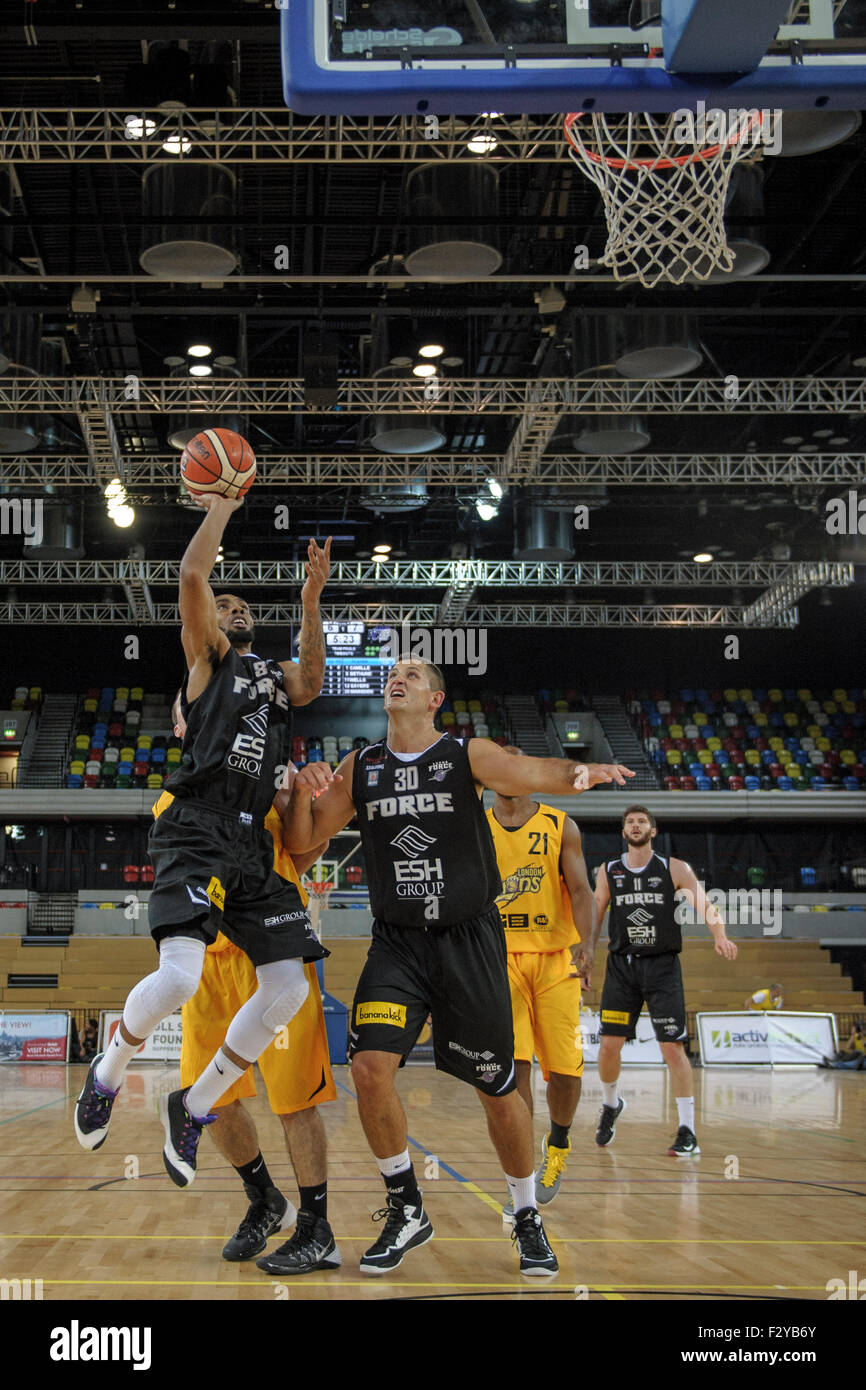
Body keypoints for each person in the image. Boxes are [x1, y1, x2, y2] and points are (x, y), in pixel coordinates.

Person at [282, 657, 634, 1277]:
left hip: (468, 942)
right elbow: (302, 845)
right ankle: (406, 1204)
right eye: (394, 671)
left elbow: (531, 772)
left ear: (435, 698)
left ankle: (526, 1215)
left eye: (414, 674)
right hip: (397, 945)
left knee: (498, 1091)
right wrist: (292, 794)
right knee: (368, 1069)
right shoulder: (359, 768)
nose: (399, 677)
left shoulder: (465, 755)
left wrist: (583, 771)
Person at [74, 492, 331, 1191]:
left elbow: (312, 679)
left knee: (288, 988)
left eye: (243, 605)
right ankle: (107, 1072)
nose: (235, 607)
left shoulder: (276, 679)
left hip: (251, 841)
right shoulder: (209, 661)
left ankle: (191, 1105)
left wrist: (311, 596)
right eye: (227, 604)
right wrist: (221, 503)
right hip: (199, 826)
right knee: (183, 977)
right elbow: (191, 577)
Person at [157, 693, 339, 1274]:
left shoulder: (267, 778)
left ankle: (317, 1228)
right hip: (210, 965)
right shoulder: (174, 797)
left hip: (272, 955)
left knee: (295, 1103)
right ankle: (264, 1199)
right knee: (213, 1101)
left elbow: (305, 853)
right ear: (183, 725)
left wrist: (302, 796)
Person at [592, 805, 738, 1157]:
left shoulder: (674, 868)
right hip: (622, 967)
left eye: (642, 821)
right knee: (610, 1045)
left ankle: (687, 1130)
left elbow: (705, 905)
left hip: (662, 966)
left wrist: (719, 934)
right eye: (630, 821)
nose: (636, 825)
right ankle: (611, 1105)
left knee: (672, 1048)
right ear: (623, 831)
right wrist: (584, 955)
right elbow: (595, 914)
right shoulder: (608, 871)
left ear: (652, 831)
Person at [486, 746, 595, 1216]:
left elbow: (582, 890)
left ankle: (560, 1143)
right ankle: (524, 1178)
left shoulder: (559, 824)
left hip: (556, 961)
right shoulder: (475, 826)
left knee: (567, 1071)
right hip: (499, 959)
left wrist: (588, 943)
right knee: (516, 1069)